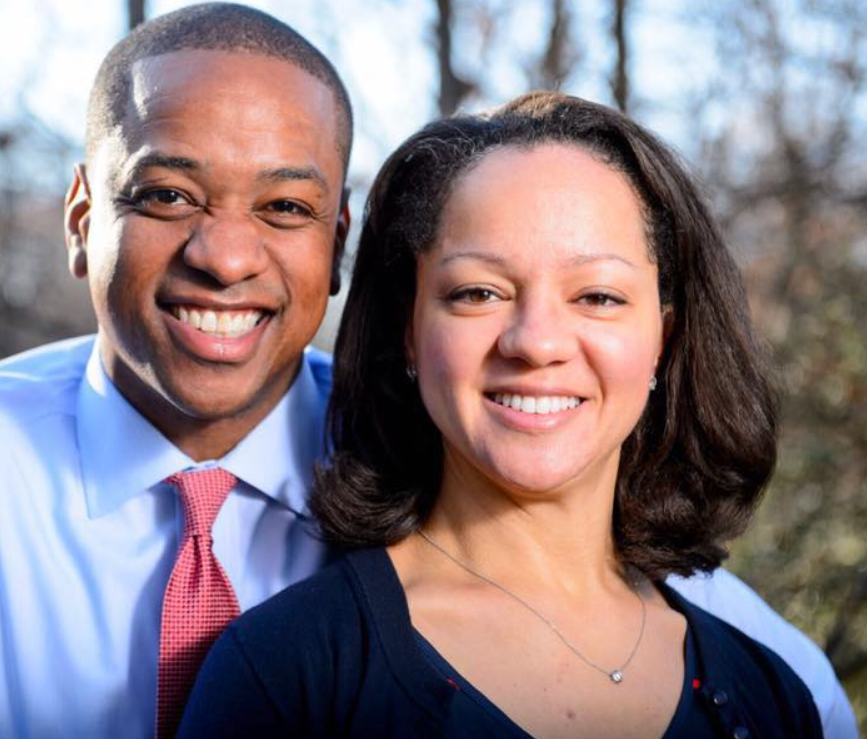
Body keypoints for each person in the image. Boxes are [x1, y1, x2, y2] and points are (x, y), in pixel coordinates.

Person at [0, 5, 853, 738]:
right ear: (81, 217)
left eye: (284, 207)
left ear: (338, 245)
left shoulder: (433, 445)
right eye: (167, 195)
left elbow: (657, 608)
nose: (226, 254)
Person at [177, 94, 835, 738]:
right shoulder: (288, 673)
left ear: (662, 337)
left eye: (598, 296)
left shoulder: (771, 693)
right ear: (409, 329)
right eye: (479, 292)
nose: (537, 342)